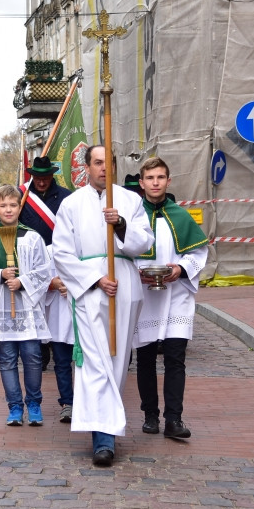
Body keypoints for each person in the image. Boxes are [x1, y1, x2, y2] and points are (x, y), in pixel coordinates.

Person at [52, 145, 155, 467]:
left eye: (107, 163)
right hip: (89, 291)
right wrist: (95, 279)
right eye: (96, 163)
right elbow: (61, 253)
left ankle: (105, 429)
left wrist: (121, 224)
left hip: (124, 285)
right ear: (87, 167)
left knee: (116, 361)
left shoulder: (130, 200)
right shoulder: (71, 204)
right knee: (94, 363)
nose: (102, 169)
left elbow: (145, 242)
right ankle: (103, 439)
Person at [133, 157, 210, 440]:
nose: (155, 182)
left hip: (176, 294)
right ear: (142, 183)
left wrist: (180, 269)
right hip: (144, 296)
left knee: (176, 358)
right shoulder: (133, 217)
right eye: (150, 178)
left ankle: (174, 418)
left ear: (168, 181)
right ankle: (150, 415)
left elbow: (198, 253)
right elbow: (123, 253)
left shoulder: (180, 214)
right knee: (145, 357)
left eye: (160, 177)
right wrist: (136, 273)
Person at [0, 185, 53, 426]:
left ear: (20, 207)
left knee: (33, 357)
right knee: (6, 359)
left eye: (13, 205)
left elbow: (44, 270)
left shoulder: (33, 237)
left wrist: (23, 281)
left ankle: (34, 404)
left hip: (27, 308)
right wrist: (0, 275)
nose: (8, 209)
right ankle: (15, 406)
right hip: (3, 308)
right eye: (3, 205)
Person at [18, 155, 74, 424]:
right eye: (36, 176)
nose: (41, 181)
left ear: (52, 175)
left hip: (71, 264)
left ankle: (84, 401)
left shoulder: (67, 198)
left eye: (45, 176)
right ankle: (67, 401)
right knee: (56, 349)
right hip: (40, 267)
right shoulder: (23, 198)